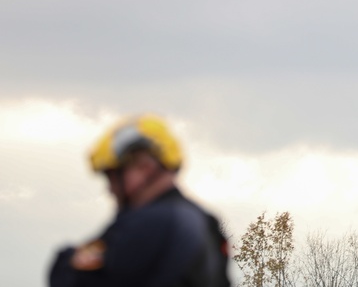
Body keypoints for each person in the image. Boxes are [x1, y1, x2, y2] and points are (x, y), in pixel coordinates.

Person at [49, 114, 231, 287]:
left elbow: (76, 280)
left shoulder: (149, 222)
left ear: (144, 167)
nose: (110, 189)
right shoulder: (206, 221)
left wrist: (67, 260)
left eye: (113, 176)